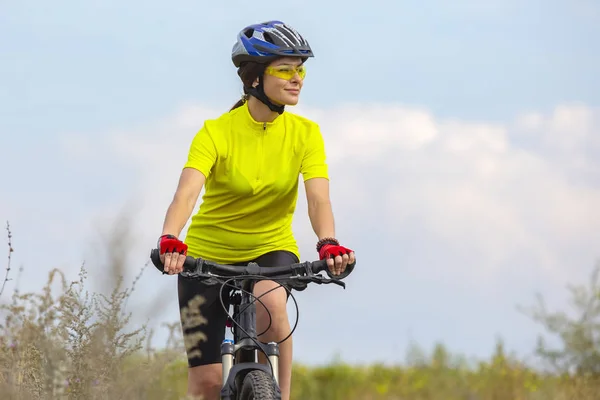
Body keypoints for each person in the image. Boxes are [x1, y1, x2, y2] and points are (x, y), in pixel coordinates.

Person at [156, 20, 356, 400]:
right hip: (206, 256)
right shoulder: (215, 132)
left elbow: (318, 199)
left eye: (300, 70)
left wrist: (328, 242)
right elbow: (186, 194)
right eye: (285, 70)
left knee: (273, 306)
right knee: (206, 384)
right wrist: (170, 238)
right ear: (253, 79)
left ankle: (277, 394)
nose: (296, 78)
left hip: (270, 250)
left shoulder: (306, 134)